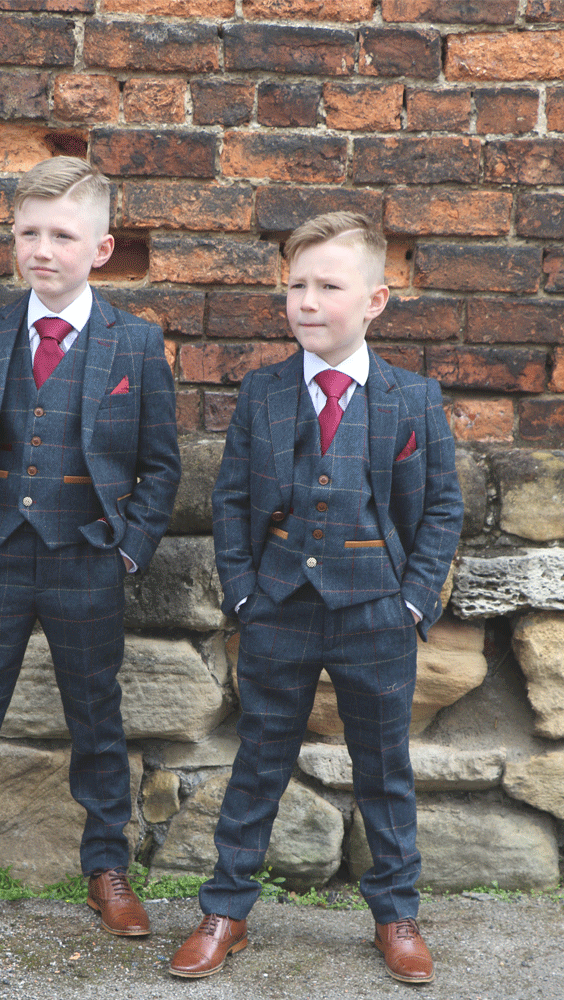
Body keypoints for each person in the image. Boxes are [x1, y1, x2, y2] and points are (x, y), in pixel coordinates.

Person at [169, 212, 463, 984]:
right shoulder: (263, 392)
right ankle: (226, 910)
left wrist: (413, 602)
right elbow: (232, 500)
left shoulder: (412, 398)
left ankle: (396, 914)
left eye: (328, 285)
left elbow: (440, 508)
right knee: (258, 761)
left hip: (377, 612)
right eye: (296, 284)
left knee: (384, 768)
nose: (306, 300)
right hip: (279, 607)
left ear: (374, 301)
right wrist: (244, 596)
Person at [0, 156, 180, 948]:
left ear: (102, 249)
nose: (42, 250)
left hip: (88, 556)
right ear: (13, 239)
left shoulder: (135, 342)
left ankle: (106, 869)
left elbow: (161, 464)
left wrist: (128, 550)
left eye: (63, 235)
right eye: (29, 233)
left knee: (96, 717)